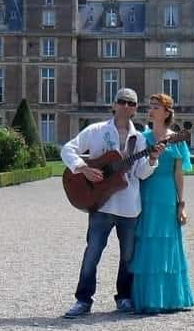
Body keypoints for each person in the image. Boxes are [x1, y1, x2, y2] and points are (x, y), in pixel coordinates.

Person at [60, 88, 165, 318]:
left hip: (129, 207)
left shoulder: (139, 139)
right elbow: (68, 148)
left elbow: (141, 174)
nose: (126, 106)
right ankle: (83, 300)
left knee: (128, 256)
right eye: (122, 101)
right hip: (102, 204)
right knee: (92, 254)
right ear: (114, 105)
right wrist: (83, 169)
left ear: (136, 109)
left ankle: (123, 297)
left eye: (131, 103)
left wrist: (153, 160)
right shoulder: (96, 131)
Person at [130, 93, 194, 314]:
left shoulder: (176, 139)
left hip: (167, 196)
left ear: (167, 112)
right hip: (146, 193)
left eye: (156, 107)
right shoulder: (142, 138)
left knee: (169, 244)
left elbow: (179, 174)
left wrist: (181, 204)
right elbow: (135, 170)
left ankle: (171, 298)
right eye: (151, 106)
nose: (151, 110)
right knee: (146, 243)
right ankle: (149, 299)